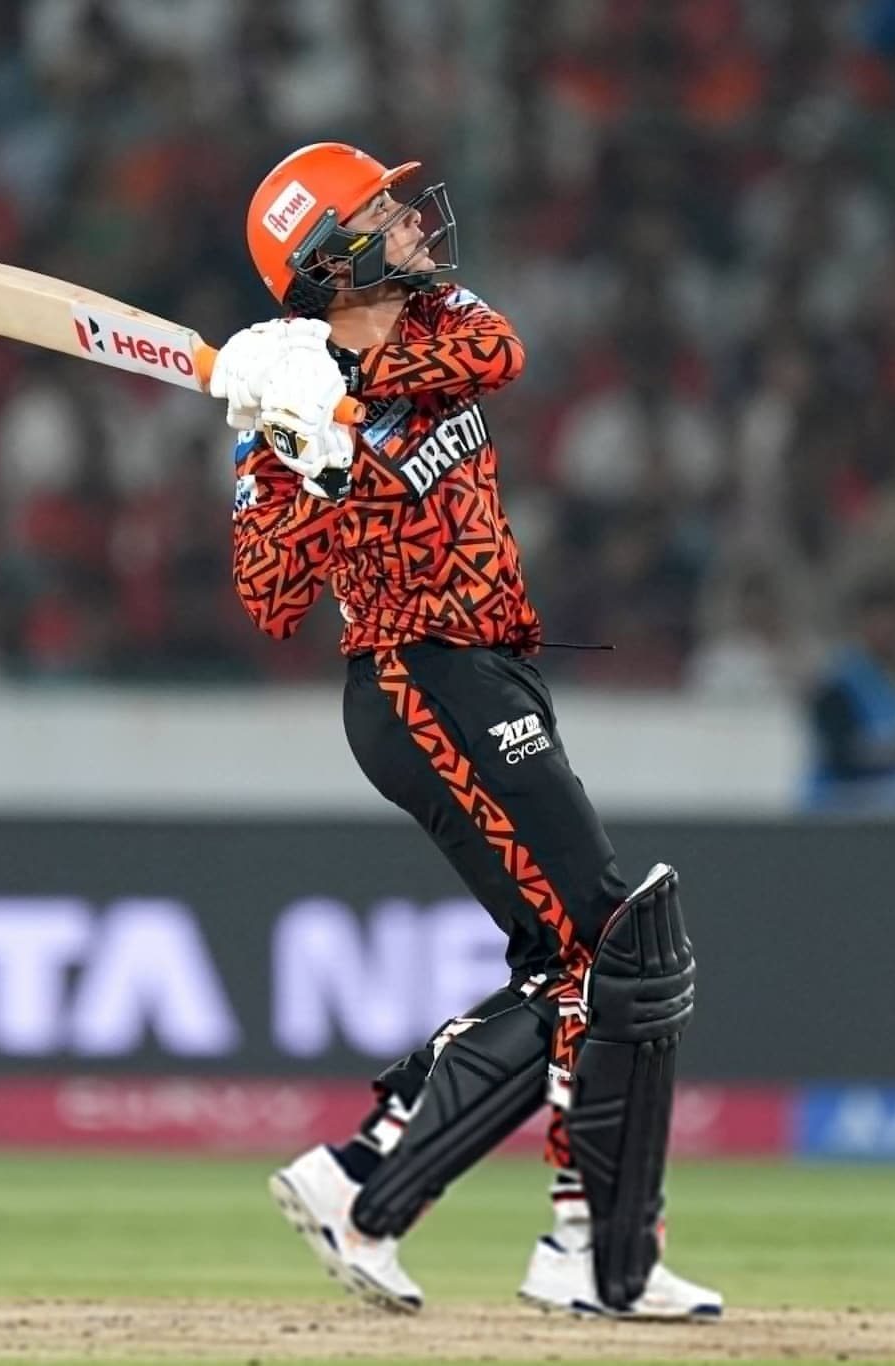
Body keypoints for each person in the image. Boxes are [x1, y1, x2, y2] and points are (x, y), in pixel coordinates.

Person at [213, 143, 720, 1321]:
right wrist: (309, 462)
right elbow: (269, 598)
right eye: (380, 211)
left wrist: (345, 388)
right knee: (613, 942)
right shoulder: (273, 412)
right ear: (331, 257)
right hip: (413, 677)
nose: (409, 219)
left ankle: (424, 1185)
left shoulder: (437, 318)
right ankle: (510, 1225)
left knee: (578, 960)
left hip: (496, 667)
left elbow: (501, 352)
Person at [803, 573, 895, 812]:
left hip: (887, 813)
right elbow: (842, 755)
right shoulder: (836, 684)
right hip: (840, 815)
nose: (893, 631)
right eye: (884, 621)